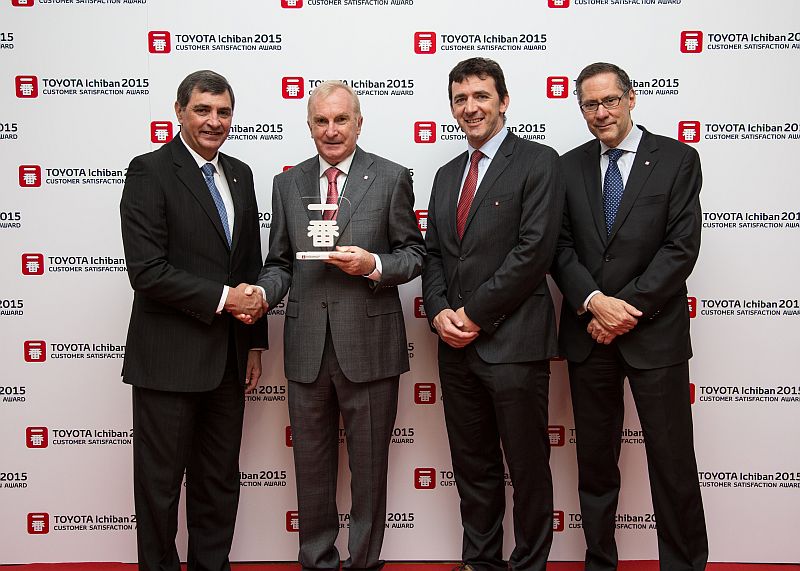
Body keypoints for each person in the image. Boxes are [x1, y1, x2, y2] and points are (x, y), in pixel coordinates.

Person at [251, 80, 424, 571]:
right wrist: (263, 293)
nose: (331, 130)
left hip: (369, 347)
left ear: (359, 123)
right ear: (309, 125)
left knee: (370, 473)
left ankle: (364, 563)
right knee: (311, 470)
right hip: (306, 348)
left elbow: (414, 255)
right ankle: (317, 562)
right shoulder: (287, 184)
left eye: (341, 119)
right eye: (321, 121)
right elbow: (279, 262)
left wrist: (372, 264)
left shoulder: (390, 178)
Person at [550, 62, 708, 571]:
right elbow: (560, 247)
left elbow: (680, 248)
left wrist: (628, 310)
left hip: (654, 335)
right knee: (595, 464)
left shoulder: (678, 159)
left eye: (609, 101)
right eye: (590, 105)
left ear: (631, 98)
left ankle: (683, 565)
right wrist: (594, 302)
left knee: (673, 463)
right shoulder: (567, 166)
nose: (601, 113)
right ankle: (600, 561)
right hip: (588, 334)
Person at [120, 70, 268, 571]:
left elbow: (249, 264)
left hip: (228, 359)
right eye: (203, 110)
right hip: (168, 360)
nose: (214, 121)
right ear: (179, 111)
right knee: (160, 488)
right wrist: (226, 299)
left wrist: (254, 343)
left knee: (219, 481)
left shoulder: (242, 174)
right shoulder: (149, 171)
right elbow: (147, 271)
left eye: (223, 111)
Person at [421, 57, 565, 571]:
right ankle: (480, 562)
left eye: (481, 96)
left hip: (513, 343)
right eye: (460, 99)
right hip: (455, 349)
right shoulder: (444, 175)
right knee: (472, 466)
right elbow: (435, 253)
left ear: (503, 101)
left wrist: (474, 315)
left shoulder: (538, 161)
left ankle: (529, 564)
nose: (471, 107)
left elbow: (533, 253)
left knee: (527, 468)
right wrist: (439, 312)